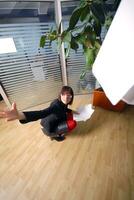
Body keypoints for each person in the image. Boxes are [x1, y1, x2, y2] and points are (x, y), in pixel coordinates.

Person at [0, 86, 78, 142]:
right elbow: (41, 113)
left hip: (53, 120)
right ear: (61, 95)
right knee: (72, 124)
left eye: (69, 96)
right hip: (49, 125)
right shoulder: (56, 105)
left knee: (69, 116)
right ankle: (53, 135)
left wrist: (72, 111)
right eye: (64, 95)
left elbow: (64, 108)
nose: (66, 98)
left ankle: (53, 134)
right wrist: (20, 115)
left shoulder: (63, 102)